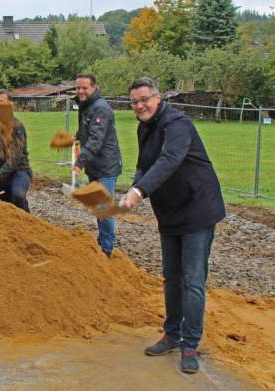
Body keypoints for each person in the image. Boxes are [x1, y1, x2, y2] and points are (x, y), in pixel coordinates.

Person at [119, 77, 225, 374]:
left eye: (144, 99)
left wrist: (140, 193)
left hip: (197, 209)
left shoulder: (177, 125)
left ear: (158, 97)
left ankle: (190, 344)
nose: (140, 106)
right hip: (169, 213)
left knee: (192, 279)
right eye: (134, 102)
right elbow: (145, 164)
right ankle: (172, 334)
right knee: (171, 277)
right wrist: (134, 185)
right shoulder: (145, 128)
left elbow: (169, 160)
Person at [73, 73, 122, 258]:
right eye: (78, 88)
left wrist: (80, 162)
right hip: (95, 166)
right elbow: (87, 128)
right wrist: (77, 136)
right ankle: (103, 241)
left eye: (84, 88)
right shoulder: (87, 106)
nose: (80, 91)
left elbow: (96, 140)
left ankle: (107, 249)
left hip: (106, 166)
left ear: (94, 87)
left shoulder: (101, 108)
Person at [0, 89, 31, 212]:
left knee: (18, 195)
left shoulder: (17, 127)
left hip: (19, 171)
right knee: (5, 205)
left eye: (1, 102)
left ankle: (29, 223)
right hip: (0, 171)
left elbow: (16, 156)